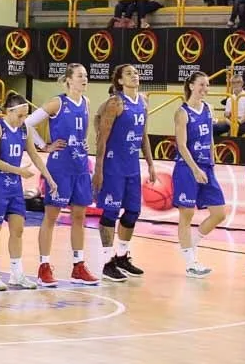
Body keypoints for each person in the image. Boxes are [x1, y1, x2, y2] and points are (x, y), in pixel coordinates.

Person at [25, 63, 99, 287]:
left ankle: (78, 265)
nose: (84, 79)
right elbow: (27, 124)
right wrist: (44, 146)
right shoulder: (57, 102)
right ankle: (44, 267)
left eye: (85, 75)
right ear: (68, 79)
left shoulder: (85, 102)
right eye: (79, 75)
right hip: (60, 167)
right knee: (51, 217)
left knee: (79, 216)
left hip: (80, 166)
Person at [0, 93, 54, 291]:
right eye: (20, 115)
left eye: (25, 116)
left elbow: (35, 156)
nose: (23, 119)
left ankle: (16, 273)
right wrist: (20, 171)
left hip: (13, 186)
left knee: (18, 229)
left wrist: (49, 177)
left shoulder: (24, 130)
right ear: (9, 111)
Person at [93, 64, 156, 282]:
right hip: (113, 166)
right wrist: (98, 169)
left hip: (131, 166)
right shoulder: (115, 102)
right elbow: (101, 135)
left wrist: (150, 163)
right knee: (110, 213)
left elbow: (143, 135)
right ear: (119, 81)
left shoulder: (143, 102)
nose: (134, 76)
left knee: (132, 213)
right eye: (129, 73)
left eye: (136, 73)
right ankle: (107, 262)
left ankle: (122, 256)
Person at [172, 72, 226, 278]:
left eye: (207, 85)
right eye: (202, 85)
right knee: (186, 215)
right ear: (191, 86)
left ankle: (192, 245)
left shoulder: (209, 109)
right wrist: (195, 169)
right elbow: (182, 145)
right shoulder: (182, 112)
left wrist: (213, 162)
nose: (205, 89)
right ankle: (190, 263)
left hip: (207, 166)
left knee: (219, 213)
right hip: (187, 168)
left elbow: (211, 138)